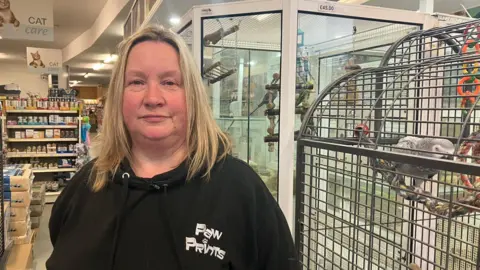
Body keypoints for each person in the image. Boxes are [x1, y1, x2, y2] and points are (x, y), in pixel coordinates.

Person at [46, 25, 297, 270]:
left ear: (192, 97)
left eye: (169, 82)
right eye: (136, 82)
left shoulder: (243, 192)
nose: (153, 98)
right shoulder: (84, 188)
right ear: (118, 97)